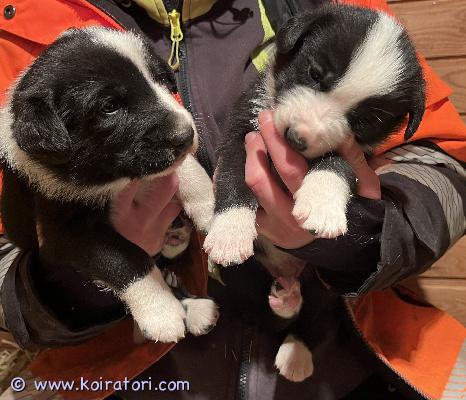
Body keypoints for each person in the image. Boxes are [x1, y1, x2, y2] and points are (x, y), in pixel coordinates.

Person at [0, 0, 465, 399]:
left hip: (340, 365)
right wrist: (79, 280)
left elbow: (446, 164)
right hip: (124, 380)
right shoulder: (17, 23)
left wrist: (365, 238)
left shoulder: (342, 17)